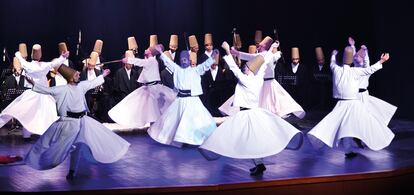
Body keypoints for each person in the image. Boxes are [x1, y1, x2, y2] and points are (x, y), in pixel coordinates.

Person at [200, 42, 302, 176]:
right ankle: (259, 164)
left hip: (246, 114)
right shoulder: (258, 78)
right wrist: (271, 49)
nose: (244, 68)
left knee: (230, 133)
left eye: (246, 67)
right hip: (255, 113)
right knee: (252, 141)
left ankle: (213, 148)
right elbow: (264, 64)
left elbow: (234, 68)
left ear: (249, 70)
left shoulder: (245, 79)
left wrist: (227, 51)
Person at [25, 65, 130, 180]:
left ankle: (72, 171)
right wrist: (32, 83)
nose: (79, 75)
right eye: (76, 74)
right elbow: (47, 90)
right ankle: (39, 160)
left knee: (79, 146)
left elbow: (92, 83)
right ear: (70, 78)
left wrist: (103, 74)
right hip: (68, 123)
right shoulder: (62, 89)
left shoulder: (81, 86)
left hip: (82, 121)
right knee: (58, 148)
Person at [307, 47, 394, 158]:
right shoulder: (355, 71)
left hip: (342, 104)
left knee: (344, 127)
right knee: (365, 123)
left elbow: (332, 63)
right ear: (351, 61)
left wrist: (333, 55)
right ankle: (367, 142)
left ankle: (351, 149)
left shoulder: (336, 69)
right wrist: (382, 61)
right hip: (353, 104)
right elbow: (370, 69)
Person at [147, 44, 218, 147]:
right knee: (174, 122)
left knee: (195, 120)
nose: (184, 60)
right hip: (180, 100)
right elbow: (168, 62)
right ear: (180, 60)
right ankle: (180, 140)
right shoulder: (177, 69)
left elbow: (205, 65)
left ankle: (194, 139)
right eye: (182, 59)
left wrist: (213, 57)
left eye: (185, 59)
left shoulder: (196, 70)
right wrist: (161, 52)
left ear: (189, 60)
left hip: (192, 100)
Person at [220, 36, 305, 119]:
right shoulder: (268, 55)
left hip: (266, 83)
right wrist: (274, 49)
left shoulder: (262, 55)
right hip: (265, 81)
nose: (258, 46)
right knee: (275, 101)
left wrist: (235, 52)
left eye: (260, 45)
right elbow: (269, 58)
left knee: (269, 101)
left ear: (264, 46)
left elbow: (249, 57)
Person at [0, 44, 68, 141]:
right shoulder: (44, 65)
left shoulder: (28, 65)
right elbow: (54, 63)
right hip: (43, 94)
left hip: (31, 94)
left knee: (27, 114)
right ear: (40, 56)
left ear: (32, 55)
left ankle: (26, 136)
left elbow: (19, 57)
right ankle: (46, 134)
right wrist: (63, 57)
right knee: (47, 114)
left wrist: (18, 54)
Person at [108, 48, 176, 128]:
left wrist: (128, 60)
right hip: (148, 87)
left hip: (153, 88)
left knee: (153, 109)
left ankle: (155, 127)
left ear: (150, 52)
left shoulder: (151, 61)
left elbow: (140, 62)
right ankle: (152, 126)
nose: (145, 50)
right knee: (146, 108)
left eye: (147, 49)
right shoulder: (149, 61)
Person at [348, 37, 397, 126]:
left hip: (362, 96)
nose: (356, 56)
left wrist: (365, 52)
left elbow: (367, 62)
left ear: (362, 59)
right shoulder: (354, 67)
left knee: (363, 116)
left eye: (358, 56)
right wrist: (352, 46)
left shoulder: (366, 68)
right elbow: (355, 56)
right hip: (353, 95)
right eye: (356, 56)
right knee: (353, 116)